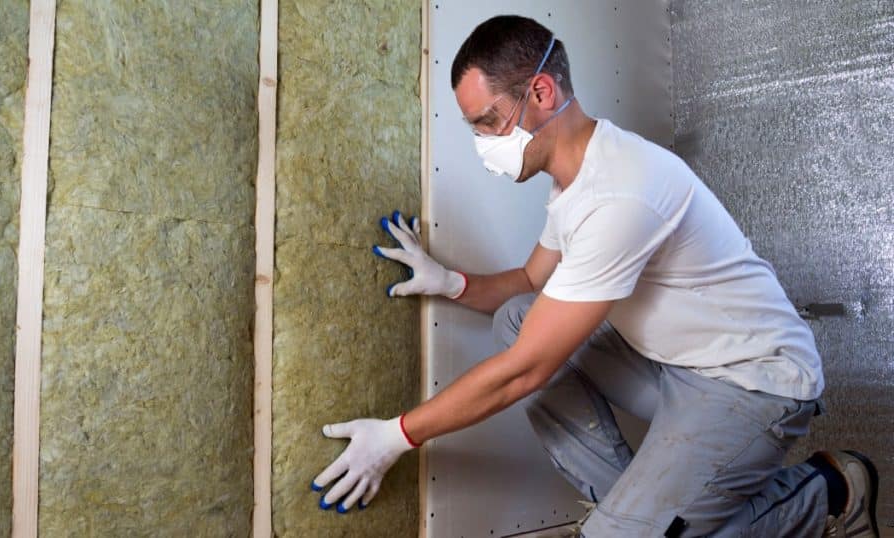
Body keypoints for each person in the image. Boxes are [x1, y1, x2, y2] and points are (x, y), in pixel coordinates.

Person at [310, 15, 880, 537]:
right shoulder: (573, 183)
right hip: (677, 368)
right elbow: (530, 282)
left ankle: (831, 489)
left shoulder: (621, 192)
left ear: (540, 93)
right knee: (518, 319)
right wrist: (450, 282)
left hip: (754, 384)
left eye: (488, 122)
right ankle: (634, 514)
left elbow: (524, 373)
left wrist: (398, 434)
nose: (483, 143)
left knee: (612, 525)